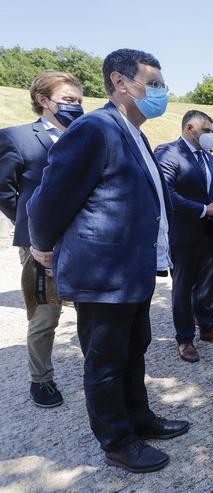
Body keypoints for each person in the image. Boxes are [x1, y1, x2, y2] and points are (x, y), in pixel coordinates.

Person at [26, 49, 188, 473]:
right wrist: (42, 246)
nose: (160, 92)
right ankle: (116, 441)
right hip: (103, 273)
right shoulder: (95, 128)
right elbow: (49, 199)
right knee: (106, 359)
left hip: (130, 271)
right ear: (120, 82)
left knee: (135, 349)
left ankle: (139, 419)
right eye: (152, 83)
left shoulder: (135, 133)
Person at [0, 71, 83, 408]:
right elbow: (5, 192)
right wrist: (35, 231)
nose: (75, 106)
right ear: (43, 100)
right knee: (46, 314)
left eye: (79, 100)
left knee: (90, 305)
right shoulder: (16, 138)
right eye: (68, 100)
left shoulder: (84, 137)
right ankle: (41, 378)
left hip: (83, 240)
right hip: (41, 245)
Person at [155, 110, 213, 363]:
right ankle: (184, 338)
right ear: (190, 128)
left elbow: (212, 189)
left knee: (207, 281)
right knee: (183, 287)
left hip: (208, 231)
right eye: (207, 131)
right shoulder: (169, 153)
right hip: (182, 232)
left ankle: (206, 327)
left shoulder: (208, 158)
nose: (211, 136)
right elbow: (166, 193)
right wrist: (204, 209)